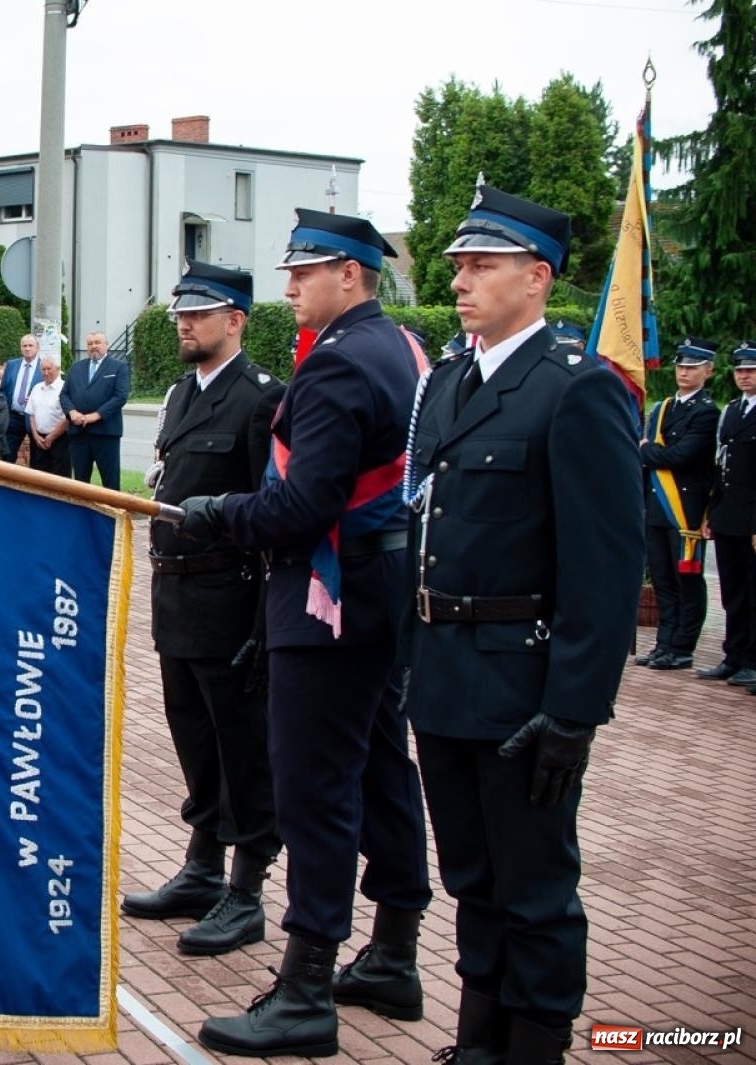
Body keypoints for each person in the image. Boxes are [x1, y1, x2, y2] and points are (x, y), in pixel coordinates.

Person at [177, 210, 433, 1058]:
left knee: (315, 787)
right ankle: (393, 951)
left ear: (350, 274)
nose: (288, 286)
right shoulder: (401, 347)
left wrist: (220, 512)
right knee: (382, 768)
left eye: (304, 271)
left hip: (327, 596)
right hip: (382, 588)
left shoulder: (337, 362)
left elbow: (300, 505)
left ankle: (306, 987)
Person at [404, 187, 642, 1063]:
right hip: (445, 676)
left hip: (521, 686)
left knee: (535, 889)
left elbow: (605, 567)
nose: (459, 281)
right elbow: (425, 530)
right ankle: (479, 1041)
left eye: (481, 265)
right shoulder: (451, 383)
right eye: (457, 266)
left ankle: (535, 1047)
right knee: (472, 878)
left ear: (537, 278)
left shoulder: (576, 390)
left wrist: (574, 711)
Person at [122, 263, 284, 961]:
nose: (184, 324)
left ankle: (246, 891)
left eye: (199, 314)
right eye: (180, 315)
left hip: (231, 598)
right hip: (178, 596)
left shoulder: (261, 398)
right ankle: (202, 866)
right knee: (193, 736)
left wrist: (265, 626)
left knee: (242, 747)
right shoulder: (182, 393)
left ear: (236, 320)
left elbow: (273, 513)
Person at [635, 339, 718, 671]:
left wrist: (647, 450)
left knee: (687, 581)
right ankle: (664, 643)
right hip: (657, 506)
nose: (684, 372)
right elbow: (654, 458)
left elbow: (682, 456)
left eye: (692, 368)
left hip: (684, 508)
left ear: (708, 371)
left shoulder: (706, 412)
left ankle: (683, 646)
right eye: (681, 366)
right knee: (663, 580)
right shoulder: (663, 408)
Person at [707, 342, 756, 688]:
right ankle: (734, 655)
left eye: (751, 370)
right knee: (733, 591)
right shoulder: (732, 411)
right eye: (740, 370)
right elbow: (721, 465)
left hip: (752, 518)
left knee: (754, 592)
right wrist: (712, 512)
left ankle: (753, 660)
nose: (744, 376)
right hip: (728, 515)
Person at [61, 331, 130, 487]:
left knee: (110, 483)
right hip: (79, 434)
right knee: (80, 483)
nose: (93, 346)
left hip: (105, 433)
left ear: (106, 345)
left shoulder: (119, 367)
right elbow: (64, 395)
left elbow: (120, 397)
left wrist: (96, 415)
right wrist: (72, 412)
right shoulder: (76, 368)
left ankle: (110, 505)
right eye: (90, 343)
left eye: (97, 342)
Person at [0, 334, 43, 462]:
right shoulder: (12, 364)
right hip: (13, 417)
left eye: (30, 345)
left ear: (37, 347)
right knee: (7, 456)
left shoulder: (44, 366)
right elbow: (3, 389)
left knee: (37, 458)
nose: (27, 348)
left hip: (35, 418)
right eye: (24, 346)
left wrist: (35, 400)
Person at [24, 354, 69, 476]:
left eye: (49, 369)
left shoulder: (65, 388)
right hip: (39, 440)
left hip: (60, 440)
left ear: (58, 369)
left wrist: (51, 437)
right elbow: (31, 414)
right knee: (38, 477)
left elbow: (67, 418)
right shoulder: (36, 388)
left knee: (59, 478)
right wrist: (35, 435)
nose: (46, 372)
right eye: (43, 369)